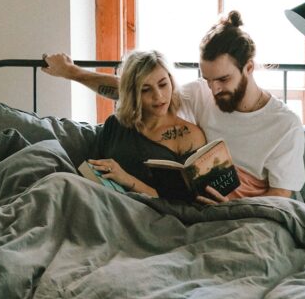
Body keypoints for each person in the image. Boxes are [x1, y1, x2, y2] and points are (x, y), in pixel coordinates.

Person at [43, 11, 305, 203]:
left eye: (223, 79)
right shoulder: (201, 94)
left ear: (248, 68)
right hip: (199, 207)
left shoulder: (285, 125)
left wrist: (232, 208)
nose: (214, 89)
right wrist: (72, 72)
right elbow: (133, 87)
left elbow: (280, 197)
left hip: (249, 213)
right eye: (208, 79)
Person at [65, 49, 206, 197]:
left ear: (171, 81)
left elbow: (186, 204)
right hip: (104, 202)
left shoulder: (190, 136)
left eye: (163, 84)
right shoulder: (115, 124)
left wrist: (126, 179)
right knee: (59, 182)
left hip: (149, 213)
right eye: (145, 90)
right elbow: (90, 173)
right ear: (132, 93)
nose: (158, 96)